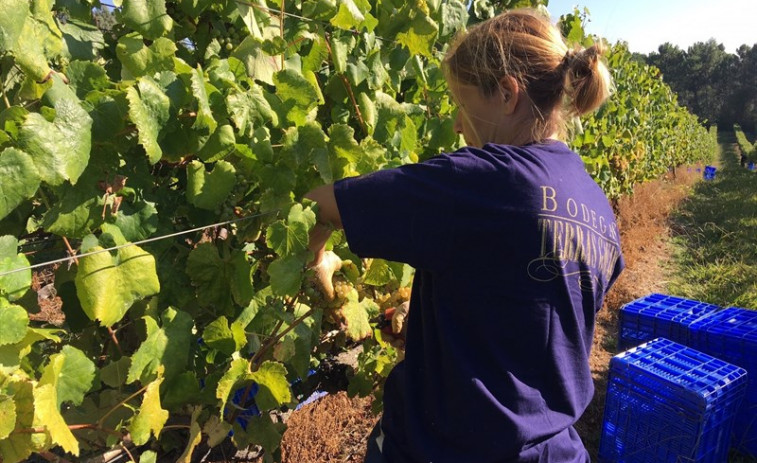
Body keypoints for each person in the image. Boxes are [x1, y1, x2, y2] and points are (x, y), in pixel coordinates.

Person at [305, 8, 624, 463]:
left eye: (462, 103)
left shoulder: (481, 181)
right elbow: (539, 318)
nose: (456, 123)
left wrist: (318, 259)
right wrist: (441, 323)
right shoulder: (596, 207)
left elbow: (316, 207)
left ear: (507, 94)